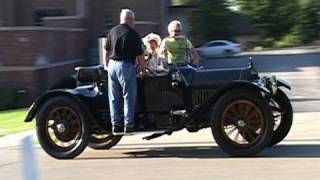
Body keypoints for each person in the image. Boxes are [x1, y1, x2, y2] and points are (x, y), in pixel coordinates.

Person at [104, 9, 147, 134]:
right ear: (130, 19)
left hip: (112, 66)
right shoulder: (132, 34)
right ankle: (129, 125)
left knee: (114, 97)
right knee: (128, 96)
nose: (134, 23)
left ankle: (116, 125)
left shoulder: (112, 31)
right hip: (125, 66)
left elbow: (106, 50)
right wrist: (144, 70)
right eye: (134, 20)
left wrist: (106, 65)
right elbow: (140, 55)